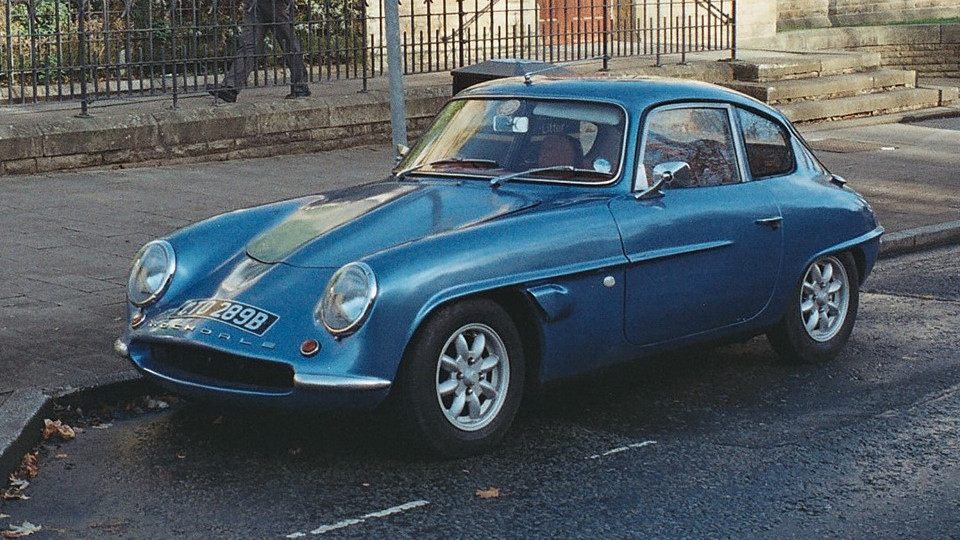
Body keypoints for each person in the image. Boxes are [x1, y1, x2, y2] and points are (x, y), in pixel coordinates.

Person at [208, 0, 311, 102]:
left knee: (288, 43)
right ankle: (231, 88)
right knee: (249, 45)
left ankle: (300, 86)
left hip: (275, 4)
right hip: (254, 4)